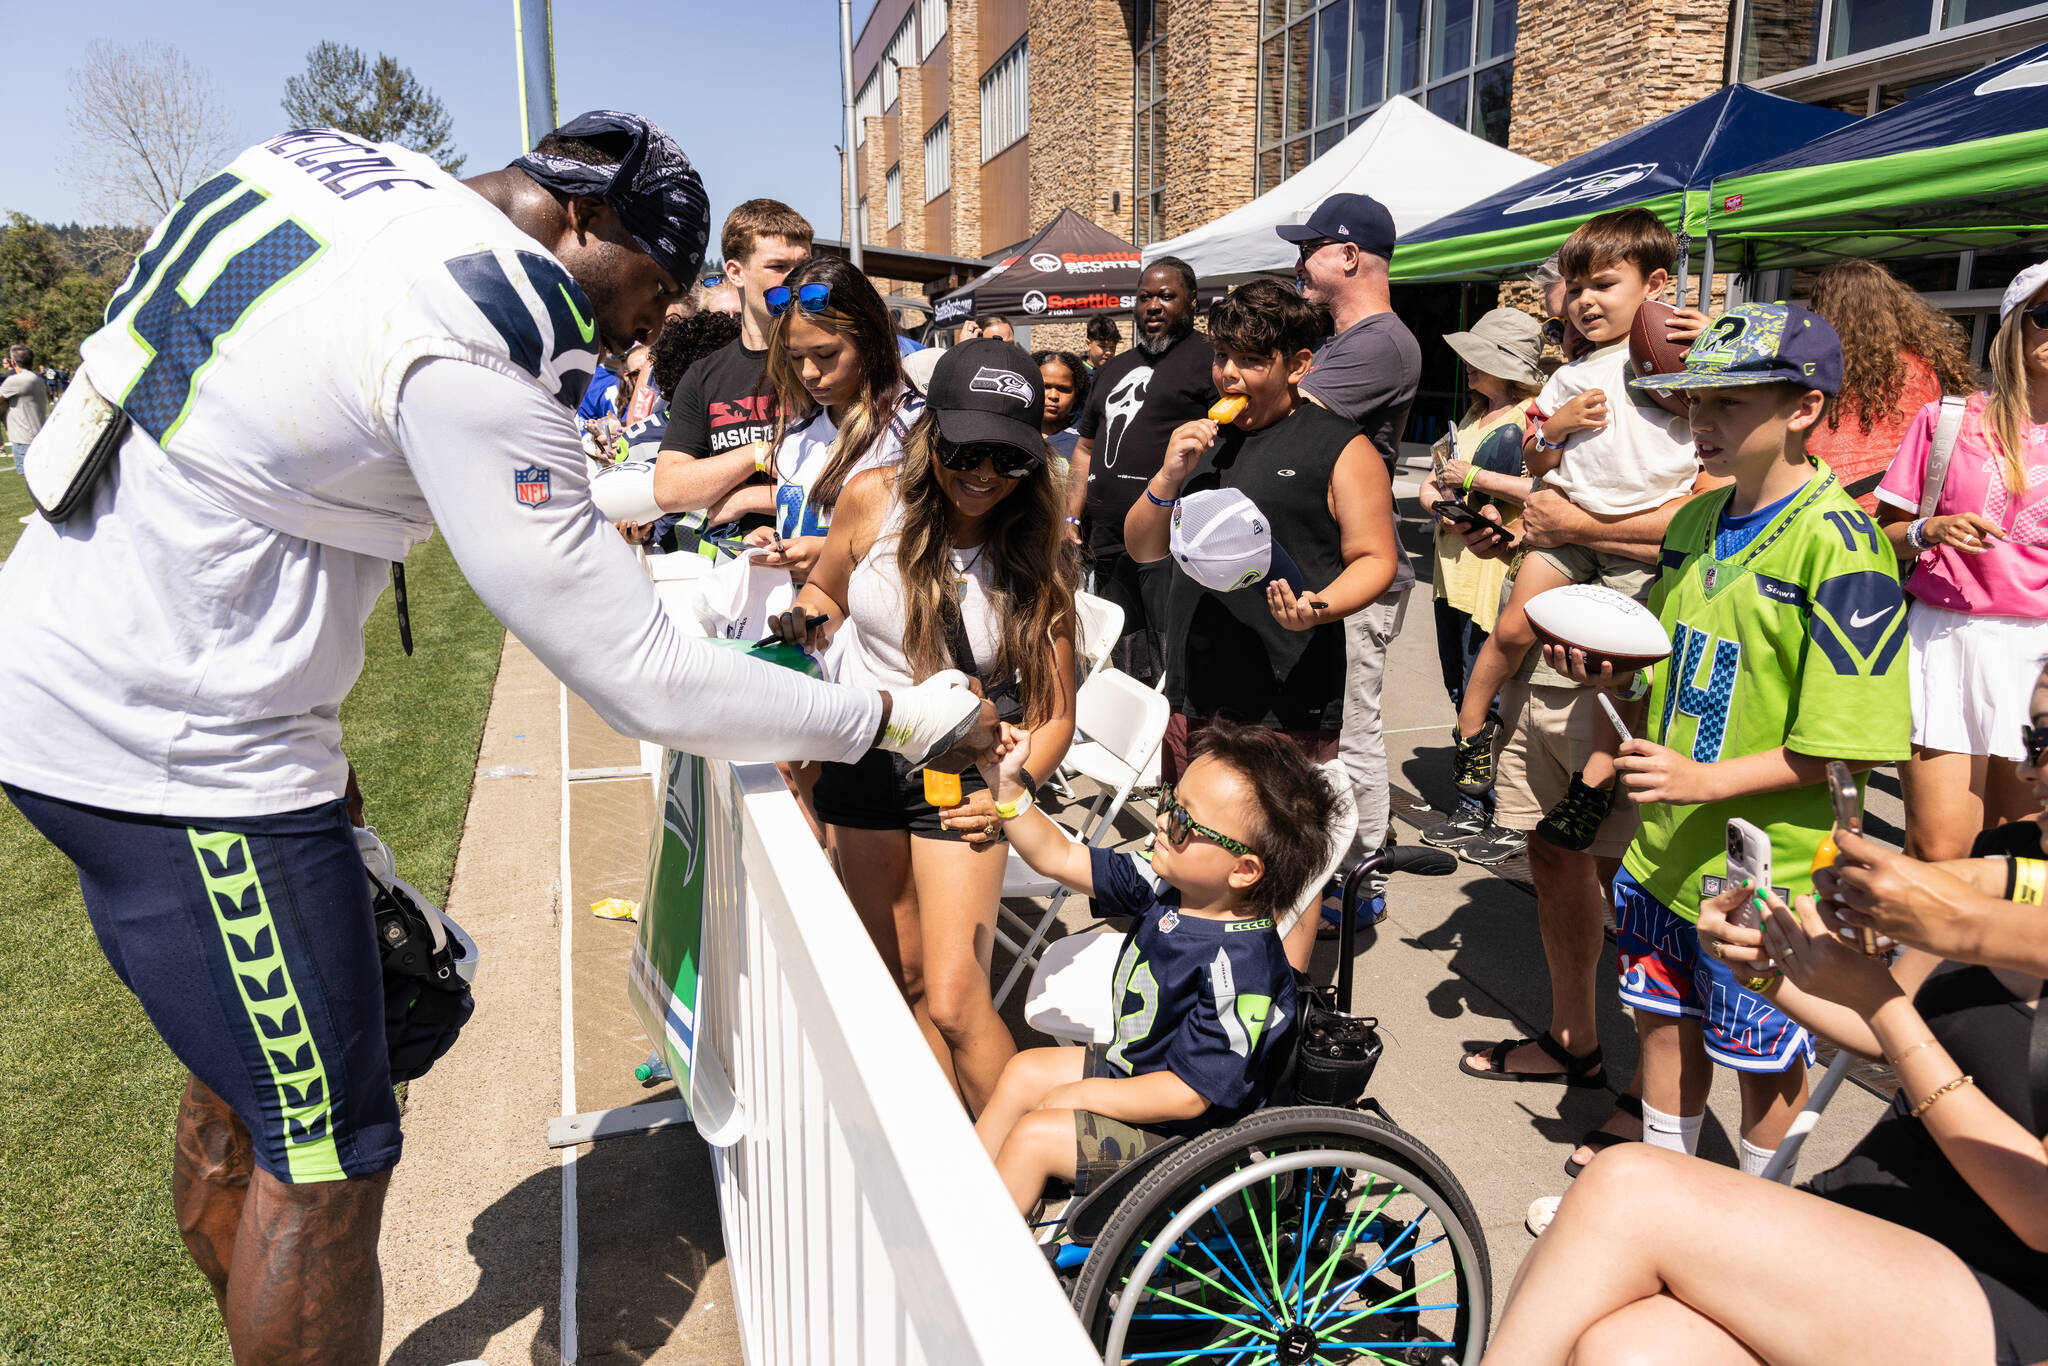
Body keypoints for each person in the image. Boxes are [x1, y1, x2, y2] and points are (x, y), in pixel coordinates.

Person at [0, 113, 993, 1366]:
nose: (641, 326)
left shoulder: (334, 163)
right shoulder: (481, 318)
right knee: (325, 1162)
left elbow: (353, 449)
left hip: (72, 656)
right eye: (645, 288)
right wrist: (887, 714)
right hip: (182, 748)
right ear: (584, 222)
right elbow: (642, 672)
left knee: (247, 1090)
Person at [1554, 303, 1910, 1181]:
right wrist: (1611, 679)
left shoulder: (1847, 548)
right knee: (1662, 1029)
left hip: (1770, 873)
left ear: (1804, 408)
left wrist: (1705, 783)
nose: (1700, 425)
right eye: (1692, 404)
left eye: (1729, 403)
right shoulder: (1692, 526)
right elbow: (1665, 671)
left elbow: (1850, 745)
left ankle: (1759, 1218)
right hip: (1663, 853)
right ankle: (1668, 1203)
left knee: (1764, 1066)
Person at [768, 339, 1077, 1114]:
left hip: (965, 775)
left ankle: (1027, 1166)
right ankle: (951, 1161)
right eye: (964, 450)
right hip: (863, 758)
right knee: (898, 979)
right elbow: (829, 592)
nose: (982, 474)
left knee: (955, 999)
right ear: (929, 432)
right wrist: (805, 622)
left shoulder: (1037, 551)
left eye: (1007, 459)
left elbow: (1054, 713)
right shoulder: (870, 498)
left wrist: (1016, 790)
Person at [1125, 277, 1401, 969]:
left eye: (1251, 359)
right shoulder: (1203, 440)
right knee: (1200, 840)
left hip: (1288, 682)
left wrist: (1320, 607)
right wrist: (1168, 475)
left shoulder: (1340, 445)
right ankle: (1197, 973)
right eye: (1223, 355)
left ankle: (1282, 994)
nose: (1229, 373)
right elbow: (1143, 546)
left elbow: (1375, 558)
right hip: (1199, 678)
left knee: (1284, 861)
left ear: (1299, 364)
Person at [972, 719, 1328, 1215]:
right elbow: (1058, 856)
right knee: (1024, 1072)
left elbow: (1188, 1096)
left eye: (1185, 822)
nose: (1162, 821)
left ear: (1243, 869)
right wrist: (1007, 788)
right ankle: (963, 1202)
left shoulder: (1241, 969)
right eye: (1169, 801)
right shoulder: (1165, 883)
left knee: (1035, 1135)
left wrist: (1084, 1095)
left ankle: (982, 1268)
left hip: (1194, 1142)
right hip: (1141, 1072)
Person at [1451, 209, 1703, 854]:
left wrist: (1710, 340)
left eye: (1604, 285)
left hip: (1639, 544)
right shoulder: (1568, 373)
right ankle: (1471, 729)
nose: (1586, 301)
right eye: (1577, 286)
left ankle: (1591, 789)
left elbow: (1733, 400)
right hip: (1565, 526)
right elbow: (1537, 462)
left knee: (1618, 673)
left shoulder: (1680, 355)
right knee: (1511, 628)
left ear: (1654, 286)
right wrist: (1554, 426)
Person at [1277, 193, 1423, 921]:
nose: (1298, 262)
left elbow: (1283, 415)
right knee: (1322, 728)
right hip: (1324, 564)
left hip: (1356, 570)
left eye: (1308, 247)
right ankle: (1332, 863)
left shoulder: (1378, 342)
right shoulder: (1343, 340)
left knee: (1352, 731)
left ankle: (1362, 878)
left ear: (1348, 255)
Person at [1874, 262, 2048, 865]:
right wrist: (1930, 529)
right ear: (2014, 328)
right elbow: (1883, 537)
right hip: (1947, 640)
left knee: (2019, 855)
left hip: (2041, 658)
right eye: (2045, 316)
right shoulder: (1949, 421)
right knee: (1939, 849)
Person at [1414, 308, 1546, 853]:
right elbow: (1431, 483)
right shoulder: (1471, 418)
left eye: (1481, 359)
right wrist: (1440, 501)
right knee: (1459, 688)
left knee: (1485, 694)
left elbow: (1538, 496)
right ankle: (1480, 805)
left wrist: (1463, 483)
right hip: (1453, 574)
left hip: (1494, 578)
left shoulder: (1527, 422)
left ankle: (1488, 809)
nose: (1469, 367)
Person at [1071, 257, 1217, 683]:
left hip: (1171, 544)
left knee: (1175, 663)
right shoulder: (1112, 369)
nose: (1153, 305)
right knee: (1125, 661)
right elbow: (1084, 449)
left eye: (1166, 296)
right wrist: (1070, 517)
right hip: (1108, 545)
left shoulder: (1210, 359)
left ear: (1192, 302)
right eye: (1144, 297)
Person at [650, 198, 812, 548]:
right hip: (734, 574)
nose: (797, 279)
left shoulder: (826, 362)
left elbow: (853, 481)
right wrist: (757, 454)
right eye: (778, 266)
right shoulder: (703, 376)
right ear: (736, 272)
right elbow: (669, 489)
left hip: (821, 569)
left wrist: (743, 500)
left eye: (804, 264)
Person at [748, 255, 924, 576]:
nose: (809, 372)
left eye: (825, 354)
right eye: (795, 356)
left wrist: (835, 556)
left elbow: (937, 542)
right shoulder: (796, 434)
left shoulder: (916, 426)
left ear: (869, 340)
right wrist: (776, 540)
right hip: (801, 620)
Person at [1806, 259, 1978, 515]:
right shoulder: (1927, 369)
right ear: (1892, 308)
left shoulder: (1812, 369)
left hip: (1823, 510)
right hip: (1897, 513)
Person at [1033, 348, 1090, 473]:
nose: (1053, 395)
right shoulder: (1016, 428)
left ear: (1077, 395)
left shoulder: (1086, 437)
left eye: (1063, 389)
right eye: (1046, 387)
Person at [1, 343, 51, 455]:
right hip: (38, 434)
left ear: (13, 362)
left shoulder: (14, 380)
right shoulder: (38, 379)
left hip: (23, 439)